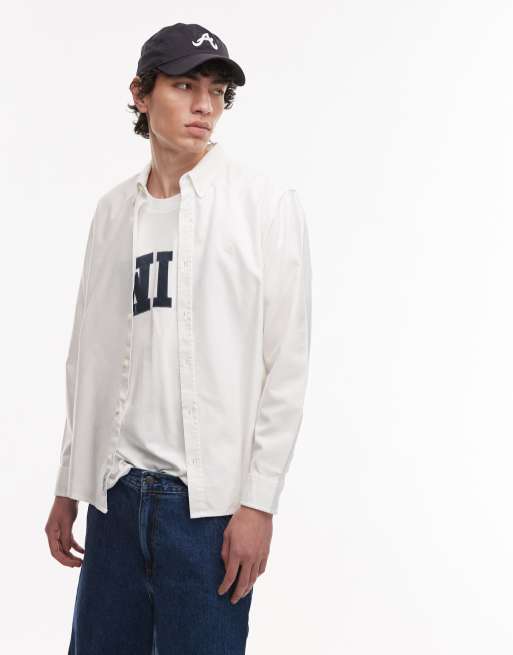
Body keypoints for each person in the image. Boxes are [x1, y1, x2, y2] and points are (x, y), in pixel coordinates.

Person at [44, 22, 312, 654]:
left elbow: (287, 366)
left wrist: (259, 504)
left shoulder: (264, 205)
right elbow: (86, 357)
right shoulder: (113, 212)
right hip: (114, 498)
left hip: (207, 512)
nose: (205, 105)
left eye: (216, 91)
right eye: (185, 86)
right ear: (141, 94)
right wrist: (68, 481)